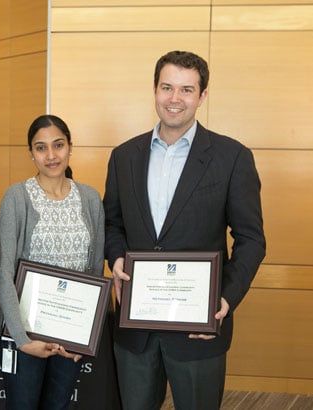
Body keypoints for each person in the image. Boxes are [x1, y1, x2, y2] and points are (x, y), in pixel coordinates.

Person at [103, 50, 266, 409]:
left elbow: (251, 239)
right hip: (136, 327)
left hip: (198, 329)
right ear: (155, 90)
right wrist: (115, 257)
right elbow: (112, 222)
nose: (175, 99)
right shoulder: (124, 156)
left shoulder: (232, 157)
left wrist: (224, 298)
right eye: (167, 87)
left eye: (186, 89)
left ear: (202, 96)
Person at [0, 114, 105, 410]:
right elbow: (3, 272)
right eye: (41, 148)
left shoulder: (91, 199)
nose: (51, 155)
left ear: (70, 147)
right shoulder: (17, 197)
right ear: (31, 153)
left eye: (58, 145)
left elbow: (94, 271)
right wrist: (21, 338)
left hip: (70, 338)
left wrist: (85, 337)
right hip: (24, 333)